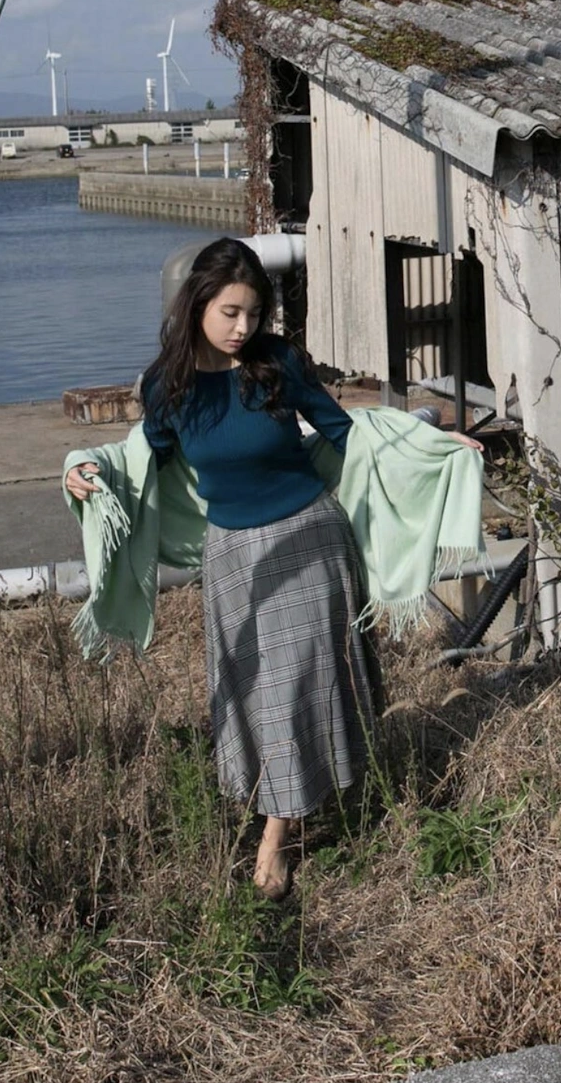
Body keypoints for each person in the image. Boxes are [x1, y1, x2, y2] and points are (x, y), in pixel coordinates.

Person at [65, 236, 374, 900]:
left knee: (293, 688)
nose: (244, 328)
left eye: (254, 314)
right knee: (256, 692)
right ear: (198, 303)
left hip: (308, 538)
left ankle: (275, 839)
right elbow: (141, 460)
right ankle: (294, 798)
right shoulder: (167, 387)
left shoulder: (279, 364)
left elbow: (349, 434)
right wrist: (85, 468)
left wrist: (431, 444)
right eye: (231, 312)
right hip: (232, 553)